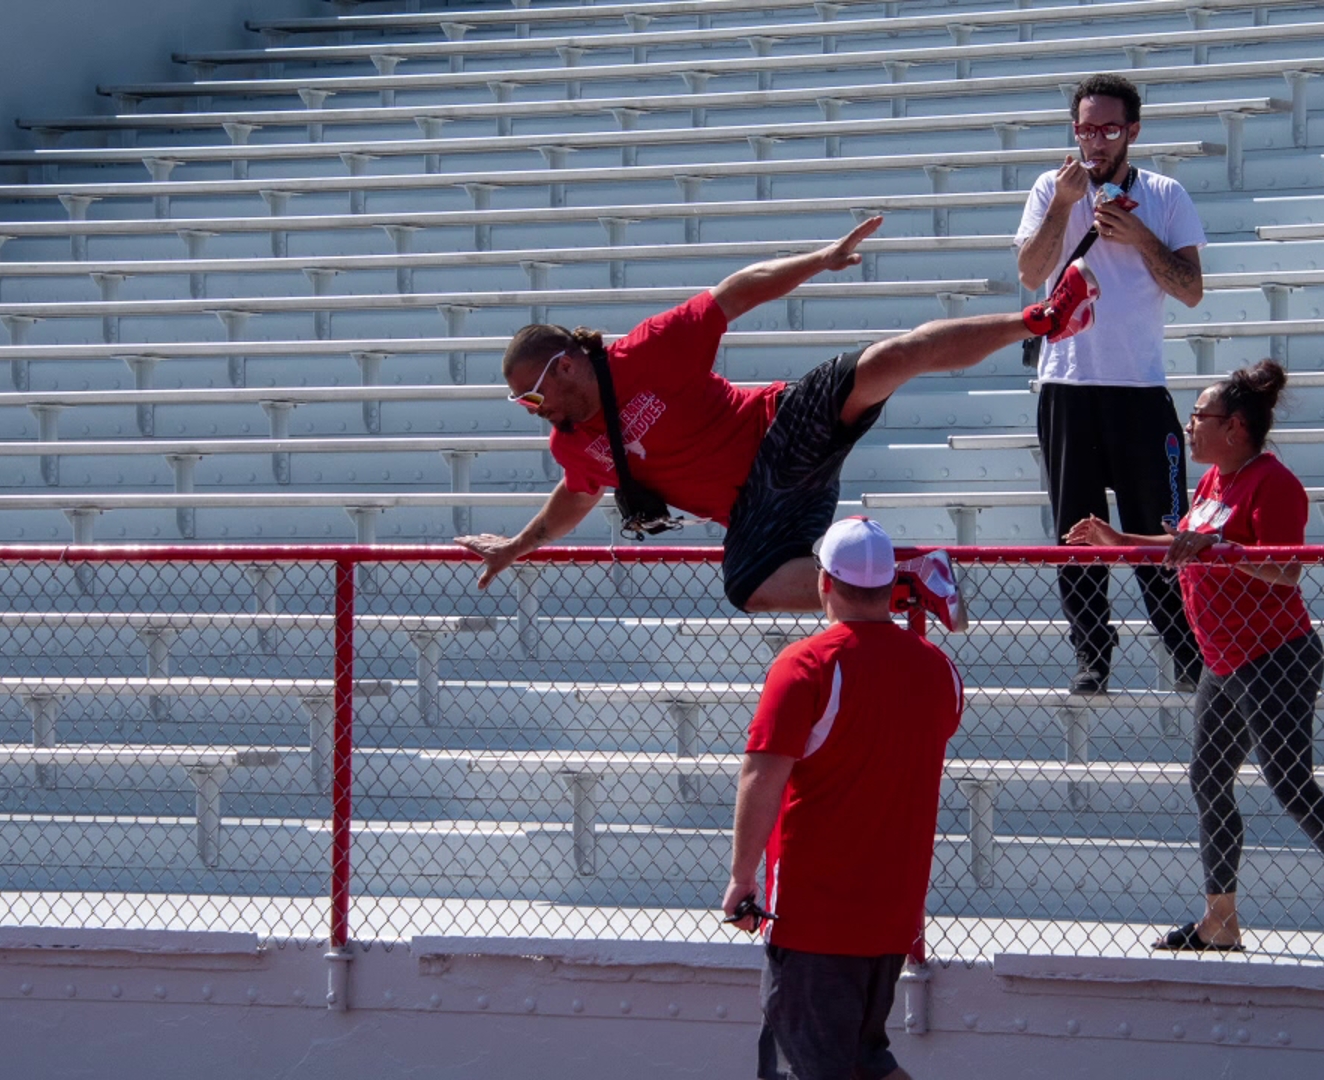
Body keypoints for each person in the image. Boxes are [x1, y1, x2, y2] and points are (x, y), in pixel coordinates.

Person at [456, 215, 1098, 628]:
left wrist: (820, 259)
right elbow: (575, 495)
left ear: (566, 368)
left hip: (777, 429)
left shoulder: (645, 353)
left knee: (887, 360)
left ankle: (1041, 320)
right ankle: (909, 579)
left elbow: (734, 292)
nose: (533, 412)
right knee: (748, 585)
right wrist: (517, 545)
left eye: (531, 397)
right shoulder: (576, 443)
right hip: (762, 506)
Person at [1065, 360, 1324, 969]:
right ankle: (1220, 919)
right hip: (1222, 663)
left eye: (1199, 417)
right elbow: (1185, 541)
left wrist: (1222, 551)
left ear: (1233, 427)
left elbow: (1285, 570)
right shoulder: (1213, 484)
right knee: (1208, 781)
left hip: (1275, 657)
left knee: (1291, 786)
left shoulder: (1272, 483)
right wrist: (1119, 541)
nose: (1190, 425)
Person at [722, 516, 964, 1080]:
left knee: (808, 1066)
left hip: (815, 912)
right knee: (863, 1060)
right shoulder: (939, 669)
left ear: (823, 582)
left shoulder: (805, 664)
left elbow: (761, 776)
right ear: (888, 586)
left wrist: (741, 876)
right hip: (892, 911)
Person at [1015, 72, 1206, 695]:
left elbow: (1191, 290)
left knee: (1160, 523)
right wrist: (1066, 207)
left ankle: (1185, 647)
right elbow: (1030, 272)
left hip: (1140, 386)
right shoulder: (1051, 188)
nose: (1096, 141)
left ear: (1133, 132)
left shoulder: (1165, 193)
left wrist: (1142, 237)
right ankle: (1092, 652)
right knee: (1077, 525)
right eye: (1086, 128)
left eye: (1109, 128)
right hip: (1067, 383)